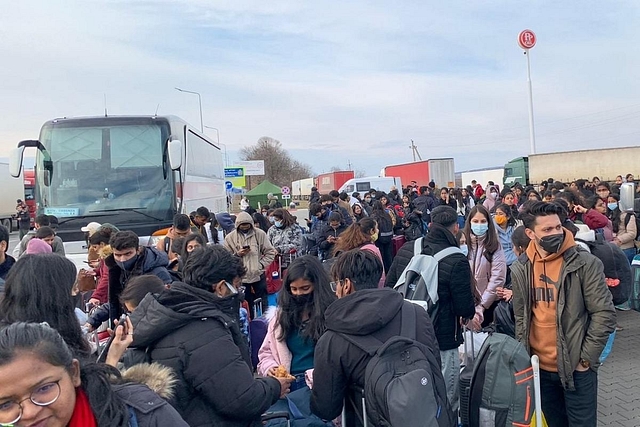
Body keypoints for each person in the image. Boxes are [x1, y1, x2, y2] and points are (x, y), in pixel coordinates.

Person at [128, 246, 289, 426]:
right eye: (236, 287)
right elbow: (241, 398)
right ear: (221, 287)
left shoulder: (168, 312)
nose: (238, 293)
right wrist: (274, 386)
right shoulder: (205, 329)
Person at [310, 249, 450, 426]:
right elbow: (434, 366)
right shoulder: (416, 314)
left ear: (346, 285)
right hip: (426, 417)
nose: (335, 291)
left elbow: (327, 408)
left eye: (335, 285)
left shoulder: (332, 339)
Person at [511, 201, 616, 427]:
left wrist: (586, 360)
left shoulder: (585, 263)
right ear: (530, 233)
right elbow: (521, 317)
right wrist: (523, 357)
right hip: (539, 369)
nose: (555, 233)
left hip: (576, 368)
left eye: (558, 227)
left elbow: (604, 314)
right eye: (547, 230)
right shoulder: (521, 267)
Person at [0, 322, 189, 426]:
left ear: (74, 373)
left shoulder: (143, 417)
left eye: (44, 389)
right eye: (6, 404)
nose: (30, 413)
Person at [384, 205, 476, 412]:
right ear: (455, 228)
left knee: (414, 400)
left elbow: (390, 287)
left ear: (431, 224)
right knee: (444, 398)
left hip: (406, 336)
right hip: (442, 339)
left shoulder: (408, 249)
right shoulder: (456, 259)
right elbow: (464, 307)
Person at [258, 256, 335, 392]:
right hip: (288, 388)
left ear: (317, 287)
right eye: (294, 289)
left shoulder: (332, 316)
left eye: (305, 288)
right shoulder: (279, 318)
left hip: (320, 387)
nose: (299, 294)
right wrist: (271, 368)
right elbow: (266, 352)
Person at [0, 254, 91, 356]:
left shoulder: (10, 337)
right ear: (52, 294)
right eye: (73, 287)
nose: (76, 293)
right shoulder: (41, 348)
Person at [105, 231, 172, 322]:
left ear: (138, 250)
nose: (122, 259)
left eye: (128, 254)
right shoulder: (116, 269)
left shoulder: (158, 272)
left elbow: (166, 304)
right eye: (118, 255)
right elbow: (115, 301)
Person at [224, 211, 277, 318]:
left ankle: (266, 323)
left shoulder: (260, 234)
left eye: (247, 225)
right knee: (246, 304)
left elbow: (270, 252)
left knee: (263, 302)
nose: (244, 227)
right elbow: (226, 258)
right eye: (242, 225)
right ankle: (250, 323)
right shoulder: (230, 238)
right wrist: (237, 254)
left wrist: (261, 265)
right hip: (241, 278)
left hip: (258, 275)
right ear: (237, 225)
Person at [463, 205, 507, 329]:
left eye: (483, 221)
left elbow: (498, 277)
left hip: (489, 304)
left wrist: (482, 305)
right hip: (466, 304)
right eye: (475, 221)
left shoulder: (494, 245)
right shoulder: (463, 243)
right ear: (469, 222)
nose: (479, 225)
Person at [332, 217, 386, 287]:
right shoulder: (371, 249)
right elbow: (380, 275)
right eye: (376, 228)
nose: (378, 231)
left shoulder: (352, 245)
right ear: (371, 231)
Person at [607, 193, 637, 263]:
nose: (610, 204)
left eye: (613, 201)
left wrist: (619, 239)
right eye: (609, 202)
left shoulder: (628, 215)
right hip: (613, 248)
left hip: (626, 248)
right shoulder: (609, 215)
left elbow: (632, 233)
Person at [494, 203, 518, 282]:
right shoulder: (493, 230)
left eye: (501, 214)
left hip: (514, 262)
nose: (498, 216)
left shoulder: (514, 228)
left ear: (508, 216)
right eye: (496, 214)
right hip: (500, 263)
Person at [370, 200, 394, 273]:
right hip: (389, 236)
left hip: (379, 238)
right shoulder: (387, 214)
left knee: (381, 256)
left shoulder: (374, 216)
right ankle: (390, 271)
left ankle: (383, 272)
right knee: (388, 255)